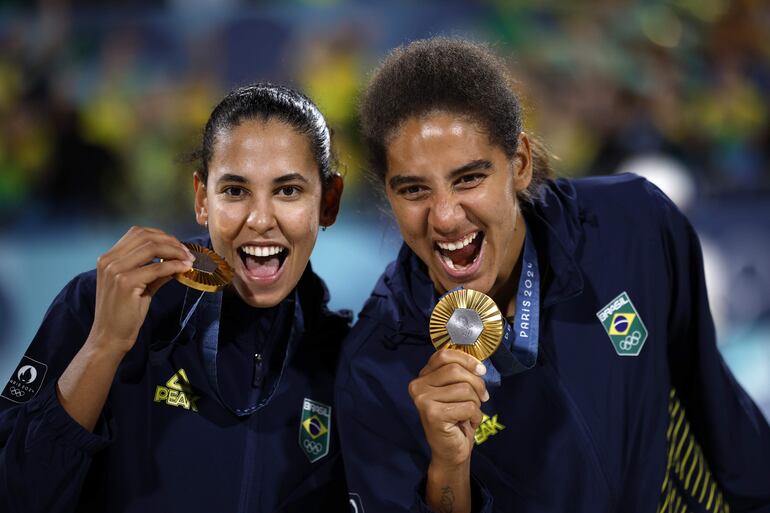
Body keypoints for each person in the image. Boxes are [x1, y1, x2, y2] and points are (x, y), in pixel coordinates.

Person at [336, 37, 770, 513]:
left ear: (518, 164)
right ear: (388, 198)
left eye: (469, 179)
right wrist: (447, 468)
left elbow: (715, 408)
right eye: (414, 189)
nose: (444, 216)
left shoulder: (633, 223)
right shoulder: (375, 368)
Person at [0, 83, 348, 512]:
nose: (260, 220)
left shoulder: (339, 356)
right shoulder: (100, 304)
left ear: (328, 202)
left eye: (288, 191)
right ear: (203, 199)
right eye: (235, 191)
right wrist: (104, 345)